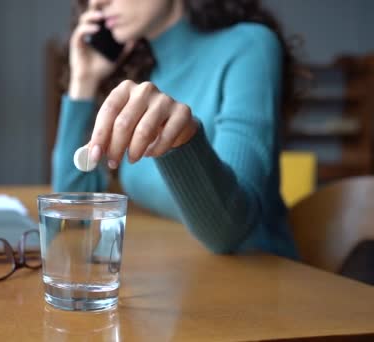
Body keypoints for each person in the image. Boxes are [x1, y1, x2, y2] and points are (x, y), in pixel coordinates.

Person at [51, 0, 300, 259]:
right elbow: (74, 214)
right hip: (182, 276)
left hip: (265, 281)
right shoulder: (145, 77)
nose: (97, 3)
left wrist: (182, 139)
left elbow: (227, 232)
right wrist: (84, 81)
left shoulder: (250, 45)